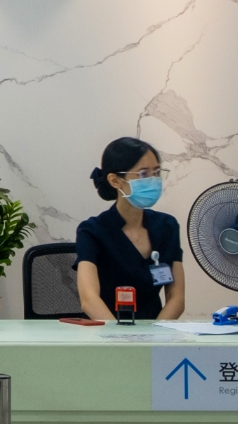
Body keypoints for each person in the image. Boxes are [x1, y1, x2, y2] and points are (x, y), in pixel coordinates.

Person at [75, 137, 185, 322]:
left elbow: (177, 298)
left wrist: (156, 334)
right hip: (105, 330)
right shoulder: (92, 231)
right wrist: (120, 337)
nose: (153, 181)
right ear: (115, 181)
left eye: (157, 172)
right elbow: (89, 299)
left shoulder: (167, 226)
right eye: (143, 174)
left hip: (155, 330)